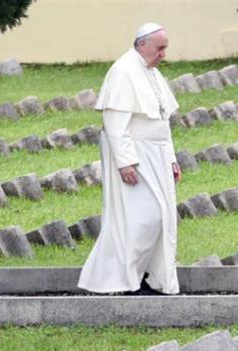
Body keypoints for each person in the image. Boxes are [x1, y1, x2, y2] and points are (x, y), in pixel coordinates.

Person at [78, 22, 182, 295]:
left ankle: (147, 276)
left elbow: (162, 120)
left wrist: (171, 159)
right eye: (160, 48)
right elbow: (114, 123)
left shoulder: (152, 74)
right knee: (141, 218)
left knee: (162, 217)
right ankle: (126, 280)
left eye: (165, 49)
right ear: (142, 44)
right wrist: (125, 162)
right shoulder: (123, 71)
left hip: (157, 155)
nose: (163, 54)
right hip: (136, 157)